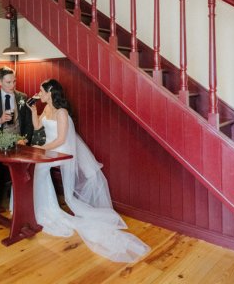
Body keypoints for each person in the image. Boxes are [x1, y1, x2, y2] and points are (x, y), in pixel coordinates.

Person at [27, 78, 150, 262]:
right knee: (38, 167)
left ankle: (44, 209)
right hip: (49, 147)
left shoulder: (62, 112)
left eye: (42, 91)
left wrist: (42, 149)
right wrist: (32, 110)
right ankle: (43, 208)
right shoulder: (45, 108)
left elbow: (61, 139)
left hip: (62, 150)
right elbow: (37, 126)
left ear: (50, 92)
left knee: (39, 166)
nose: (39, 93)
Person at [0, 66, 34, 201]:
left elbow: (28, 123)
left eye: (14, 81)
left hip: (19, 143)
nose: (12, 85)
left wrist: (25, 140)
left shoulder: (22, 97)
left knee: (21, 170)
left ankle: (17, 198)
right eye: (8, 82)